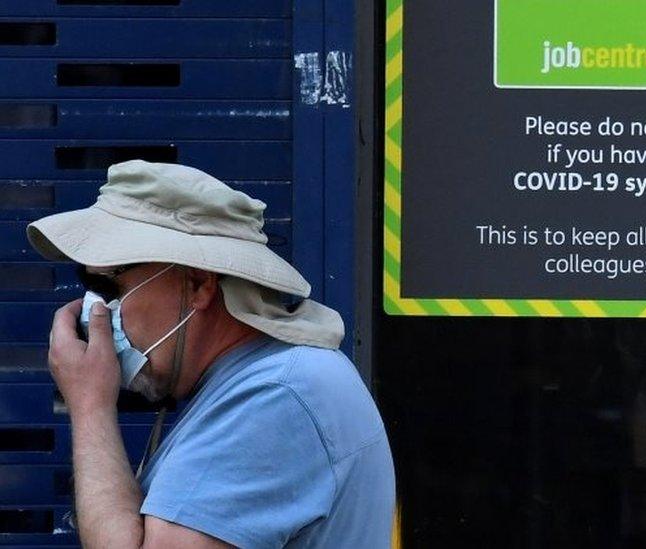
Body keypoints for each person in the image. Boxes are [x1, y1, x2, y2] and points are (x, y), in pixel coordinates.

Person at [27, 160, 395, 548]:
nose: (95, 310)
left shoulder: (276, 396)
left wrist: (89, 406)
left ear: (198, 283)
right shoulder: (261, 381)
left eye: (109, 285)